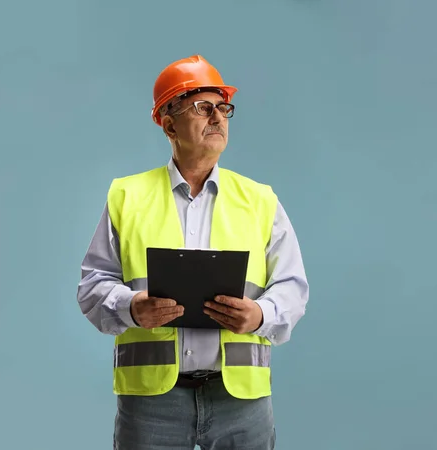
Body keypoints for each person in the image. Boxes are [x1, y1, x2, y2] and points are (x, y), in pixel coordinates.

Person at [77, 54, 309, 450]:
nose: (218, 118)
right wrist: (132, 307)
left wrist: (260, 315)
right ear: (169, 124)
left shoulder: (260, 200)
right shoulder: (126, 197)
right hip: (152, 402)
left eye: (223, 108)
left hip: (241, 403)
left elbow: (291, 287)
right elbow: (92, 286)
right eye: (203, 108)